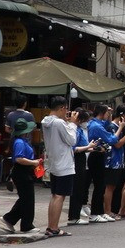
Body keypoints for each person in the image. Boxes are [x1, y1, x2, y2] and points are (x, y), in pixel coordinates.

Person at [40, 95, 76, 237]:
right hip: (64, 163)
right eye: (66, 109)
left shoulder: (46, 121)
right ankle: (54, 227)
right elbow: (72, 140)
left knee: (55, 195)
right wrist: (72, 124)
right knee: (60, 196)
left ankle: (51, 226)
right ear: (62, 108)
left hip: (54, 162)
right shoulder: (59, 123)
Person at [3, 117, 40, 234]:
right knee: (27, 199)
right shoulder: (19, 142)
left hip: (24, 171)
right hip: (22, 172)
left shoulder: (21, 141)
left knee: (25, 199)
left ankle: (10, 218)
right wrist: (33, 162)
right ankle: (26, 225)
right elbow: (19, 159)